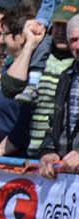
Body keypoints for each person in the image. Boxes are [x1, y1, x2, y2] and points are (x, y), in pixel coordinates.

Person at [35, 14, 79, 179]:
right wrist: (48, 151)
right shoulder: (66, 76)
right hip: (67, 176)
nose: (78, 45)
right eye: (73, 40)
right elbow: (55, 122)